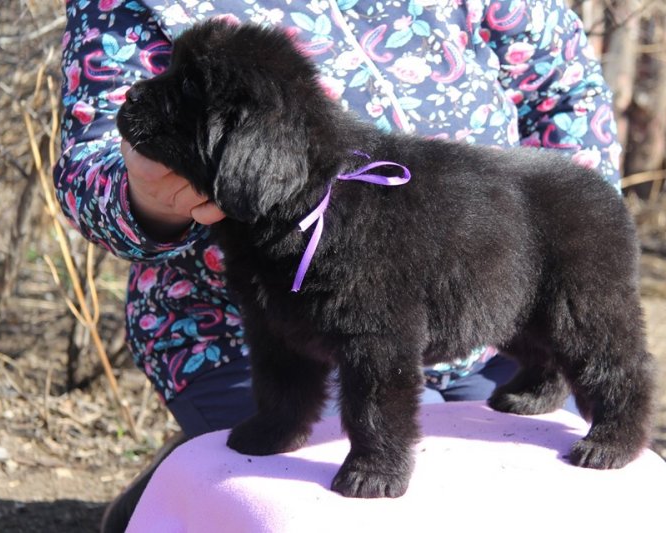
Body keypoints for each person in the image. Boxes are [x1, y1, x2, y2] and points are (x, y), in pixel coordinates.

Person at [56, 0, 623, 530]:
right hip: (216, 332)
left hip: (484, 309)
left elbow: (561, 87)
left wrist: (563, 231)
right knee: (367, 503)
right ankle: (183, 495)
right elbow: (90, 154)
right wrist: (149, 198)